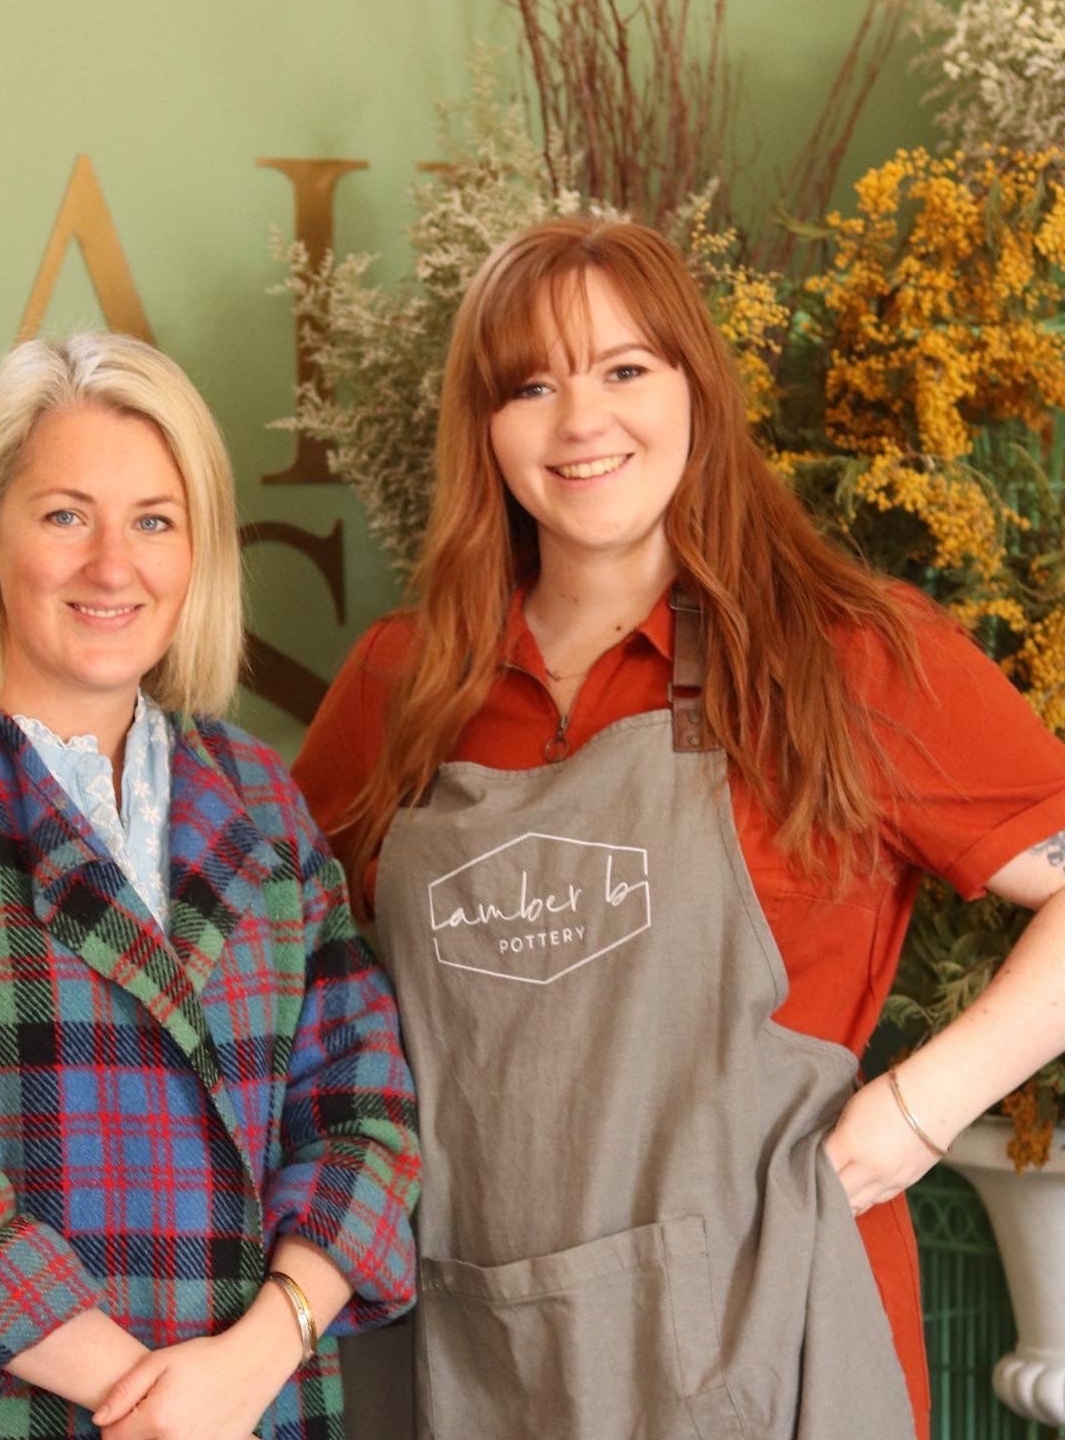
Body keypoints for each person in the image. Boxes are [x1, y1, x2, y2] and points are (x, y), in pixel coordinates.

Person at [292, 218, 1065, 1440]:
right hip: (464, 1349)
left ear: (698, 387)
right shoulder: (402, 686)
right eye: (531, 385)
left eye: (624, 369)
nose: (580, 420)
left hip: (774, 1339)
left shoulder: (844, 661)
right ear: (484, 430)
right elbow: (278, 991)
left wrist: (923, 1112)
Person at [0, 332, 421, 1440]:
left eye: (154, 520)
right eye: (67, 515)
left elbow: (366, 1113)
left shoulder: (257, 797)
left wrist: (250, 1364)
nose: (115, 565)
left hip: (248, 1406)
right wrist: (148, 1401)